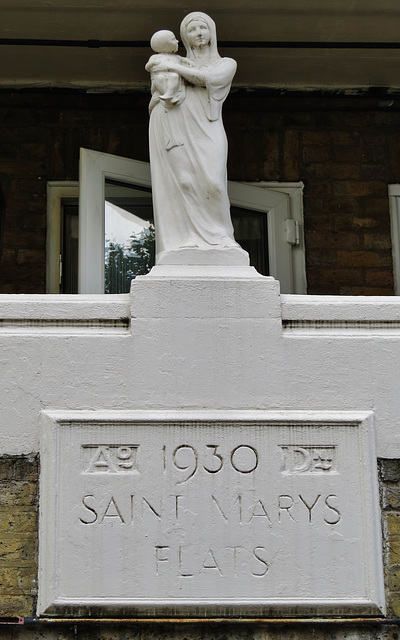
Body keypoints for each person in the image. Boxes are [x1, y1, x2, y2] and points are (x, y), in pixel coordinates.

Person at [146, 12, 248, 263]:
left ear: (212, 32)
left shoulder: (226, 63)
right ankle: (186, 238)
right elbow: (159, 85)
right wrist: (172, 67)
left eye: (204, 27)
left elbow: (209, 80)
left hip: (208, 127)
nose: (199, 32)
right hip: (177, 125)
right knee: (183, 182)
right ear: (184, 37)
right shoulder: (173, 61)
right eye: (192, 29)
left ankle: (222, 238)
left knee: (213, 182)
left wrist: (173, 66)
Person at [145, 30, 194, 111]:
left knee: (174, 76)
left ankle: (170, 93)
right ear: (164, 45)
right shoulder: (155, 57)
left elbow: (183, 60)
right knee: (159, 78)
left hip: (172, 79)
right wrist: (152, 64)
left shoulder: (175, 57)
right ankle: (165, 93)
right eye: (173, 39)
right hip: (160, 78)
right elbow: (147, 67)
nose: (177, 41)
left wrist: (189, 61)